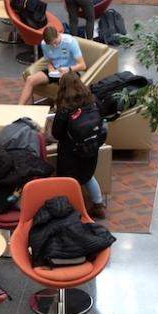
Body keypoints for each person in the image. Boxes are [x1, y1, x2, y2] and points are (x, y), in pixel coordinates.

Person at [52, 73, 108, 219]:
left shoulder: (65, 109)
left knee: (67, 180)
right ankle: (98, 205)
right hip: (91, 147)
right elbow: (102, 117)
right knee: (88, 176)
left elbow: (56, 134)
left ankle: (68, 210)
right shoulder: (93, 100)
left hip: (70, 152)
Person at [19, 26, 87, 105]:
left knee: (62, 81)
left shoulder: (70, 42)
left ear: (58, 35)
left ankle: (60, 109)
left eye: (55, 42)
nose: (54, 46)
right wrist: (51, 68)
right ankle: (20, 108)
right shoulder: (44, 44)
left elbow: (82, 65)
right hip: (55, 71)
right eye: (51, 44)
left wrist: (68, 69)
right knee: (30, 79)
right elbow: (49, 61)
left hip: (71, 71)